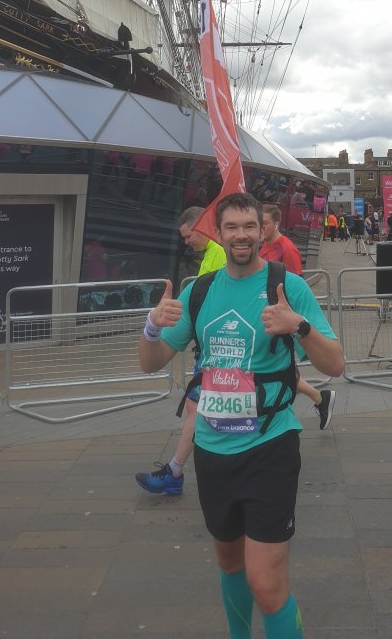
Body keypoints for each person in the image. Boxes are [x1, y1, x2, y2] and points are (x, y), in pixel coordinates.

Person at [139, 192, 344, 638]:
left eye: (249, 226)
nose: (241, 235)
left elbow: (335, 364)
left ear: (261, 230)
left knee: (266, 584)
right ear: (219, 232)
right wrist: (151, 326)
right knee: (230, 563)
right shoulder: (200, 291)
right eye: (231, 227)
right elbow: (150, 362)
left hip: (270, 446)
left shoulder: (287, 287)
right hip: (213, 450)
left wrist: (299, 327)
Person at [135, 205, 226, 496]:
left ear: (202, 227)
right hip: (209, 348)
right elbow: (151, 361)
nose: (187, 242)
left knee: (199, 408)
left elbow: (213, 302)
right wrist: (152, 325)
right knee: (195, 407)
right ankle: (176, 470)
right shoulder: (210, 255)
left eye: (189, 236)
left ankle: (175, 471)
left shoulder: (218, 252)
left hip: (217, 350)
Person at [260, 204, 336, 430]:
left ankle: (287, 414)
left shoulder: (287, 248)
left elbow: (297, 287)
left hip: (285, 323)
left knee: (282, 369)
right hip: (267, 320)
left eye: (265, 223)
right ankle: (320, 399)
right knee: (283, 370)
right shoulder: (263, 246)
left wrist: (295, 325)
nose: (261, 228)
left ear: (276, 223)